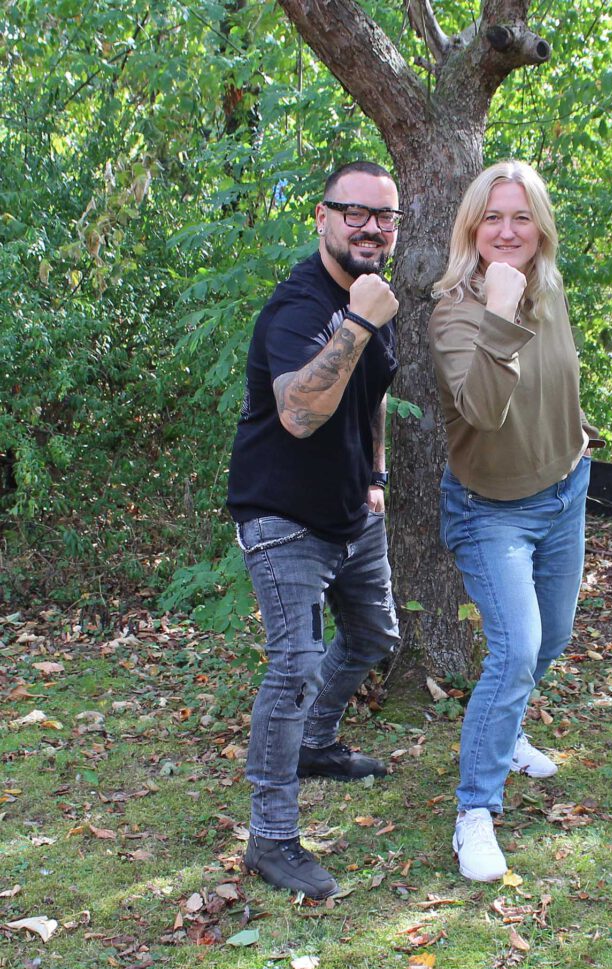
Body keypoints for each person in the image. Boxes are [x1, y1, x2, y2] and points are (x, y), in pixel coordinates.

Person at [227, 161, 403, 899]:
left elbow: (371, 393)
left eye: (384, 216)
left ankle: (316, 745)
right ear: (321, 218)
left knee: (375, 637)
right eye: (353, 212)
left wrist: (375, 477)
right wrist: (360, 320)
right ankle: (269, 839)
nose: (370, 226)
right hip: (282, 515)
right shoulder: (299, 306)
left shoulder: (372, 298)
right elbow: (299, 412)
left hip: (349, 511)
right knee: (294, 665)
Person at [428, 160, 604, 882]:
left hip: (564, 490)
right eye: (493, 217)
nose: (507, 230)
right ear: (471, 225)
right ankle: (475, 811)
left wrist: (576, 435)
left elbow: (557, 377)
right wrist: (498, 307)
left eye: (521, 216)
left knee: (550, 639)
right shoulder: (453, 309)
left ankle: (505, 736)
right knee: (516, 648)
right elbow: (483, 410)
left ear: (540, 226)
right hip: (488, 510)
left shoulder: (550, 287)